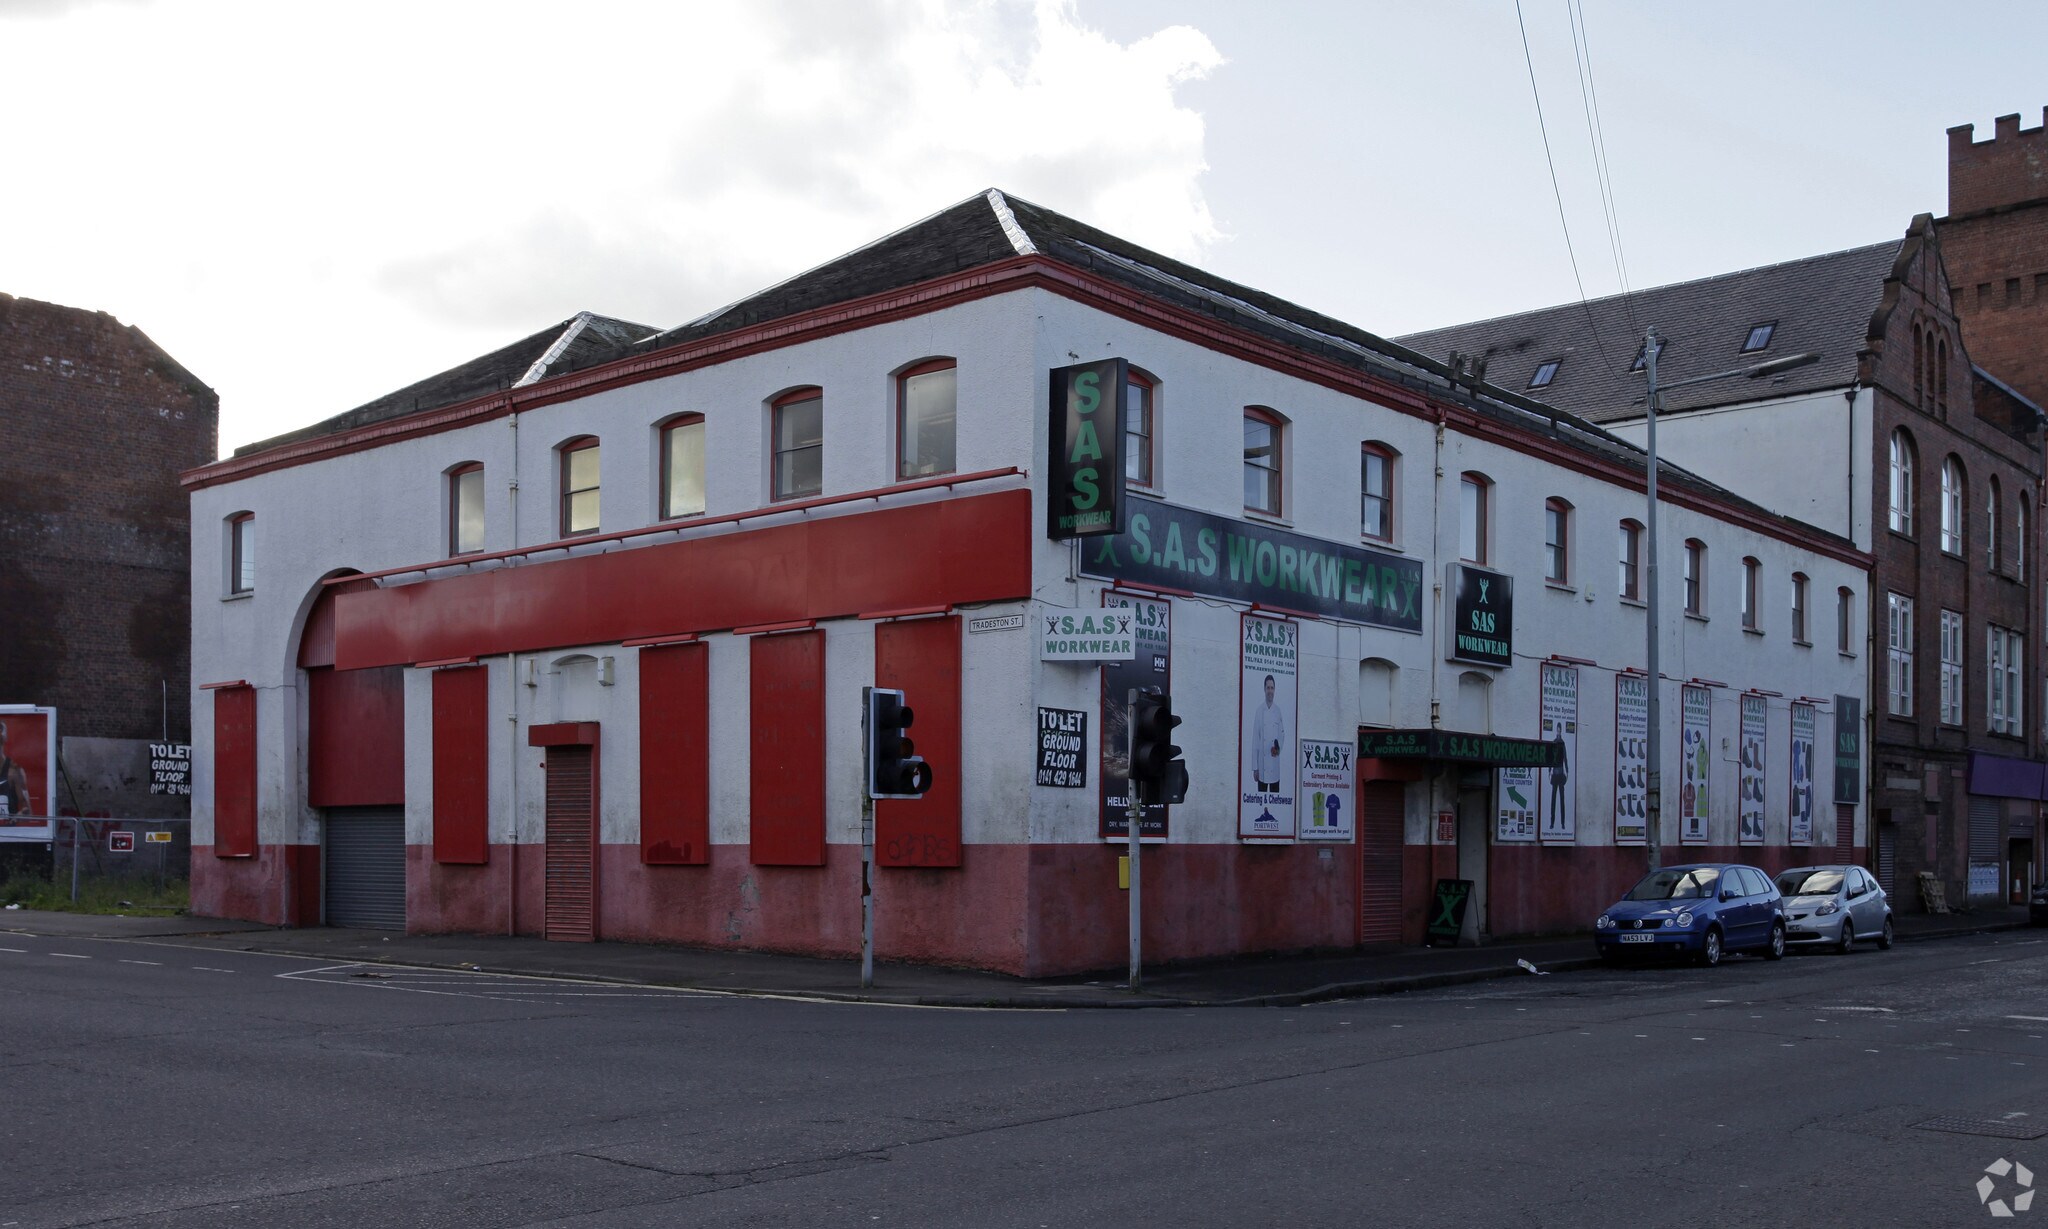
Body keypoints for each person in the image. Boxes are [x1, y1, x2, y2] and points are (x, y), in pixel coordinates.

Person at [1250, 674, 1285, 792]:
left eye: (1272, 688)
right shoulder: (1259, 711)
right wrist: (1255, 768)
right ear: (1264, 689)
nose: (1270, 691)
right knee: (1260, 801)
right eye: (1268, 688)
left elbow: (1282, 735)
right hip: (1262, 767)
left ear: (1274, 690)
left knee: (1276, 801)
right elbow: (1255, 740)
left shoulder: (1278, 711)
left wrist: (1278, 748)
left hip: (1274, 766)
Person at [0, 721, 30, 819]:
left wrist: (17, 816)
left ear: (4, 739)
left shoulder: (14, 771)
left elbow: (26, 810)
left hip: (8, 830)